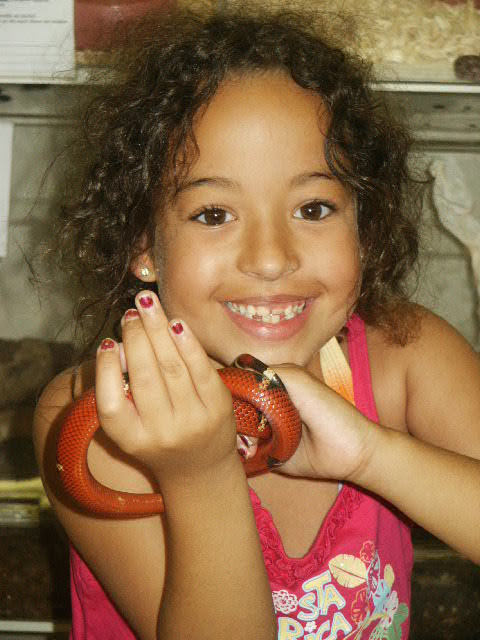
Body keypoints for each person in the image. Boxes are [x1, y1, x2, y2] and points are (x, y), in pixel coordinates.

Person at [33, 5, 480, 640]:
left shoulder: (407, 356)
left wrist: (373, 455)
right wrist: (200, 473)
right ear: (144, 243)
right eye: (214, 214)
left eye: (315, 207)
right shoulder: (95, 424)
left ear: (367, 224)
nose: (271, 258)